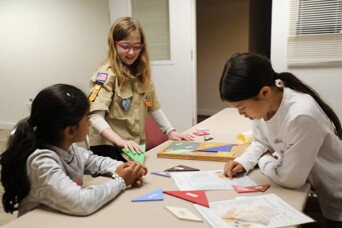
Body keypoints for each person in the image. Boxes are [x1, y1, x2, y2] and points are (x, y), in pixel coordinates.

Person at [220, 52, 342, 227]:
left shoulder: (301, 115)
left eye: (242, 107)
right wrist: (244, 161)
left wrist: (265, 160)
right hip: (313, 186)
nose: (241, 114)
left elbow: (291, 179)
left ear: (265, 92)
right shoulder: (265, 107)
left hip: (336, 195)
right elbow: (262, 141)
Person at [0, 84, 148, 217]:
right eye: (87, 118)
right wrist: (121, 181)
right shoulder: (41, 162)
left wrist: (127, 169)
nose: (90, 123)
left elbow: (95, 161)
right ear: (70, 131)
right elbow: (81, 203)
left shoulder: (70, 149)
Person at [88, 17, 193, 161]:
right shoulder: (106, 75)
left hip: (133, 146)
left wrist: (170, 131)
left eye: (137, 47)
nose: (131, 53)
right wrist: (119, 141)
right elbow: (95, 117)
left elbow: (152, 107)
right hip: (109, 146)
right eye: (125, 46)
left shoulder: (140, 74)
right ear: (114, 44)